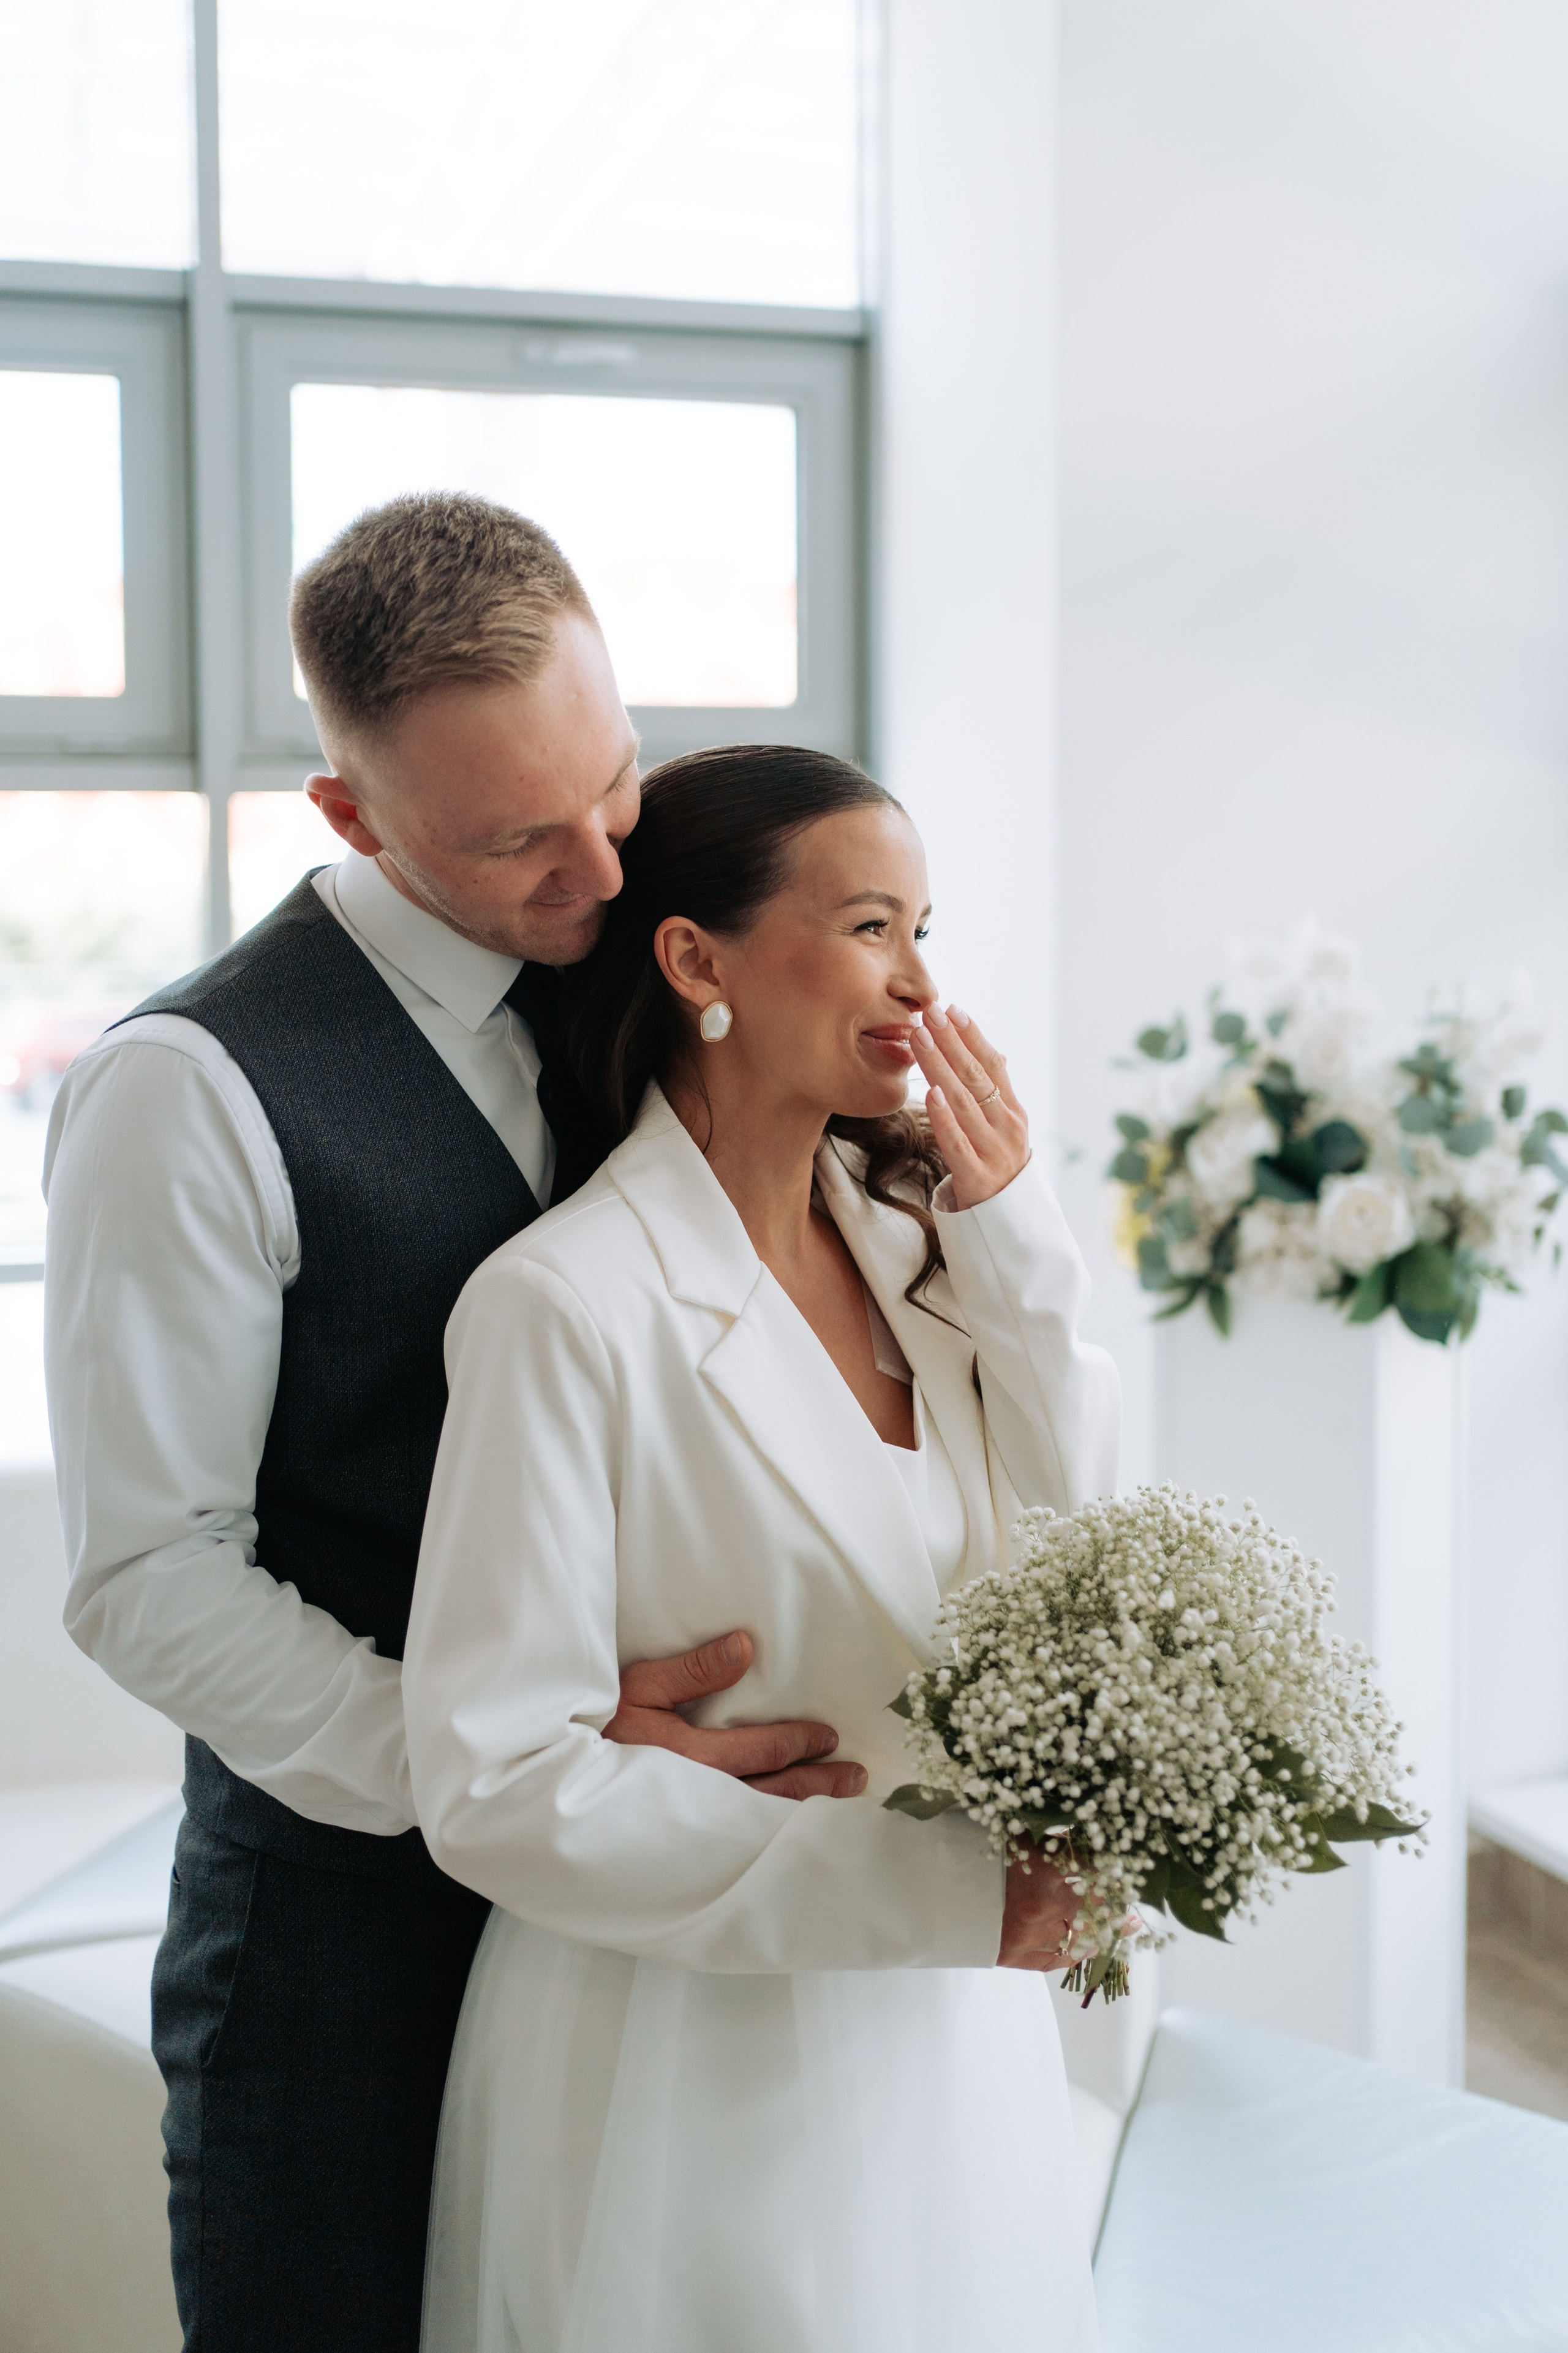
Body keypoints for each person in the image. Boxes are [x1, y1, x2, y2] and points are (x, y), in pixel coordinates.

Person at [43, 496, 974, 2353]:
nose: (600, 874)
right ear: (350, 815)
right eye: (516, 842)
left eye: (612, 789)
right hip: (339, 1943)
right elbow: (147, 1579)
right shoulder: (188, 1091)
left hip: (651, 1942)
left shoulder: (626, 961)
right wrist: (505, 1753)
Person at [404, 744, 1122, 2352]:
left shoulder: (930, 1257)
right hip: (691, 2064)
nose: (920, 982)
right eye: (873, 925)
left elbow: (1084, 1560)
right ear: (695, 958)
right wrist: (946, 1889)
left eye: (928, 928)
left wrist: (1016, 1240)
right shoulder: (562, 1305)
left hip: (952, 2050)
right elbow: (493, 1779)